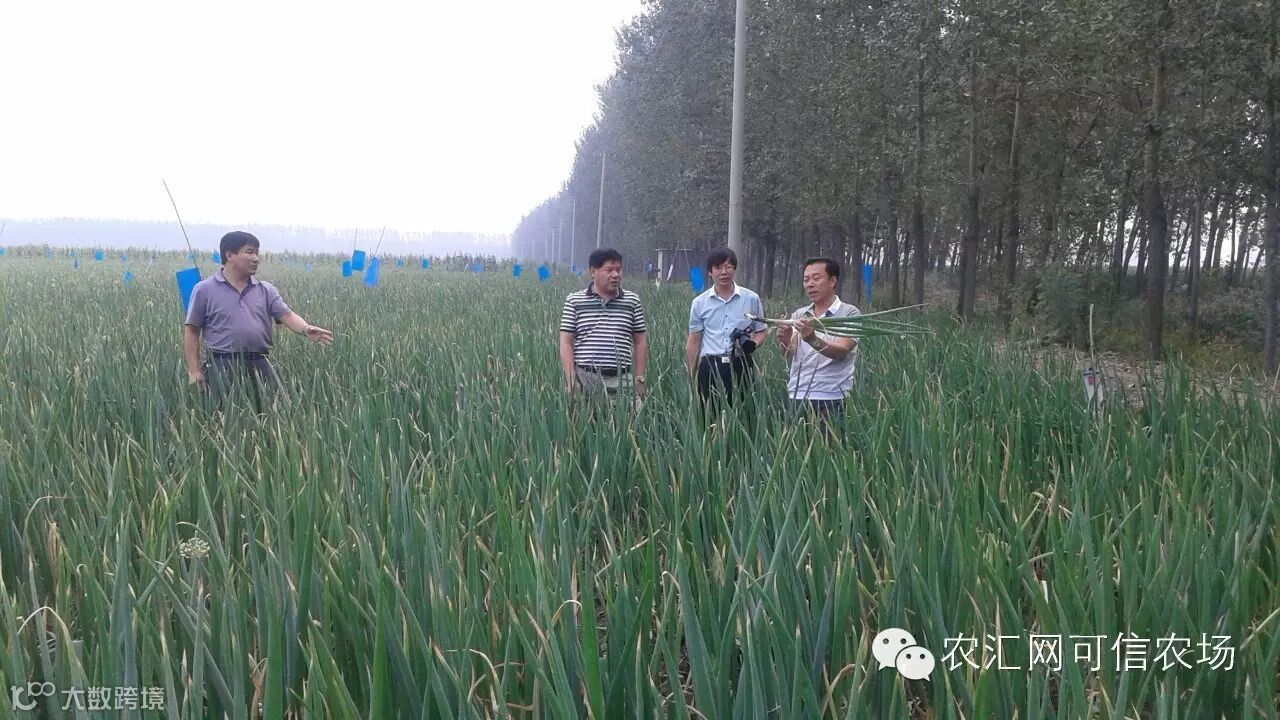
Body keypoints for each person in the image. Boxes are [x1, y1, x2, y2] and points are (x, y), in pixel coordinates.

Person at [184, 231, 333, 408]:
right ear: (229, 255)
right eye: (249, 252)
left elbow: (287, 315)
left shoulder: (265, 290)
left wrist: (305, 328)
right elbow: (192, 330)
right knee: (223, 414)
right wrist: (194, 370)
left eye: (257, 252)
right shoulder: (204, 290)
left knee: (264, 412)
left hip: (260, 364)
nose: (255, 258)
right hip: (222, 365)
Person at [776, 257, 860, 429]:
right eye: (806, 279)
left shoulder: (849, 313)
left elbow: (842, 351)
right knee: (797, 445)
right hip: (798, 394)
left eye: (816, 278)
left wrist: (812, 340)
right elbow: (789, 353)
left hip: (831, 397)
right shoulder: (800, 314)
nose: (810, 284)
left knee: (829, 445)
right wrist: (784, 341)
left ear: (832, 281)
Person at [559, 248, 648, 401]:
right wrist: (571, 379)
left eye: (618, 270)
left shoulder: (632, 301)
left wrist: (640, 379)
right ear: (593, 271)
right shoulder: (574, 301)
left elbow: (640, 341)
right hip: (586, 378)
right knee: (585, 416)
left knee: (629, 416)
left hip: (623, 379)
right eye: (609, 270)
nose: (616, 275)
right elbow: (566, 342)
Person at [685, 247, 766, 407]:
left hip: (741, 364)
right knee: (709, 415)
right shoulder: (699, 303)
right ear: (710, 272)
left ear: (734, 269)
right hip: (711, 366)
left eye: (728, 267)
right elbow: (694, 341)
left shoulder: (751, 298)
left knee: (744, 413)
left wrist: (752, 345)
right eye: (718, 267)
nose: (724, 272)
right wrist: (691, 375)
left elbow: (761, 330)